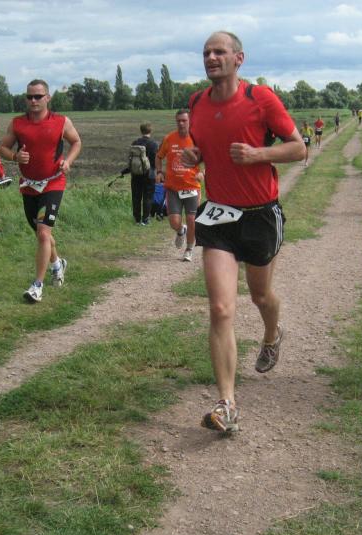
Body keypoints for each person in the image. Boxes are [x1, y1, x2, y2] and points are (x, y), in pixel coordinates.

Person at [182, 31, 304, 433]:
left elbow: (298, 148)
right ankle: (227, 404)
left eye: (219, 52)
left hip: (260, 215)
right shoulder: (197, 102)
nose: (211, 57)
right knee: (220, 308)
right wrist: (196, 155)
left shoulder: (260, 99)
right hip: (219, 216)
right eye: (206, 52)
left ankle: (272, 333)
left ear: (239, 58)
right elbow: (206, 146)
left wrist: (259, 154)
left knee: (260, 295)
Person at [0, 79, 82, 303]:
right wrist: (15, 156)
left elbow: (76, 142)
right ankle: (57, 263)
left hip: (53, 183)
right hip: (28, 185)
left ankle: (37, 286)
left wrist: (68, 161)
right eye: (30, 97)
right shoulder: (18, 123)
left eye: (38, 96)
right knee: (41, 233)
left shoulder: (61, 121)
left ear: (48, 97)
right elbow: (3, 148)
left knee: (44, 233)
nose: (33, 100)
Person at [155, 109, 202, 262]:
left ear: (190, 121)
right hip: (173, 188)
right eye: (178, 121)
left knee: (191, 219)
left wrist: (203, 173)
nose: (181, 123)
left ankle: (189, 249)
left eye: (184, 120)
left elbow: (211, 158)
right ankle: (181, 230)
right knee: (174, 221)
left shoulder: (197, 139)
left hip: (192, 187)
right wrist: (159, 172)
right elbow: (158, 156)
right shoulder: (169, 138)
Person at [123, 123, 158, 225]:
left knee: (136, 197)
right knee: (148, 197)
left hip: (135, 174)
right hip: (149, 174)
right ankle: (145, 219)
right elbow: (155, 161)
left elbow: (131, 159)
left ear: (141, 131)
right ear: (150, 131)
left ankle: (137, 219)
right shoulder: (153, 144)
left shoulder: (135, 143)